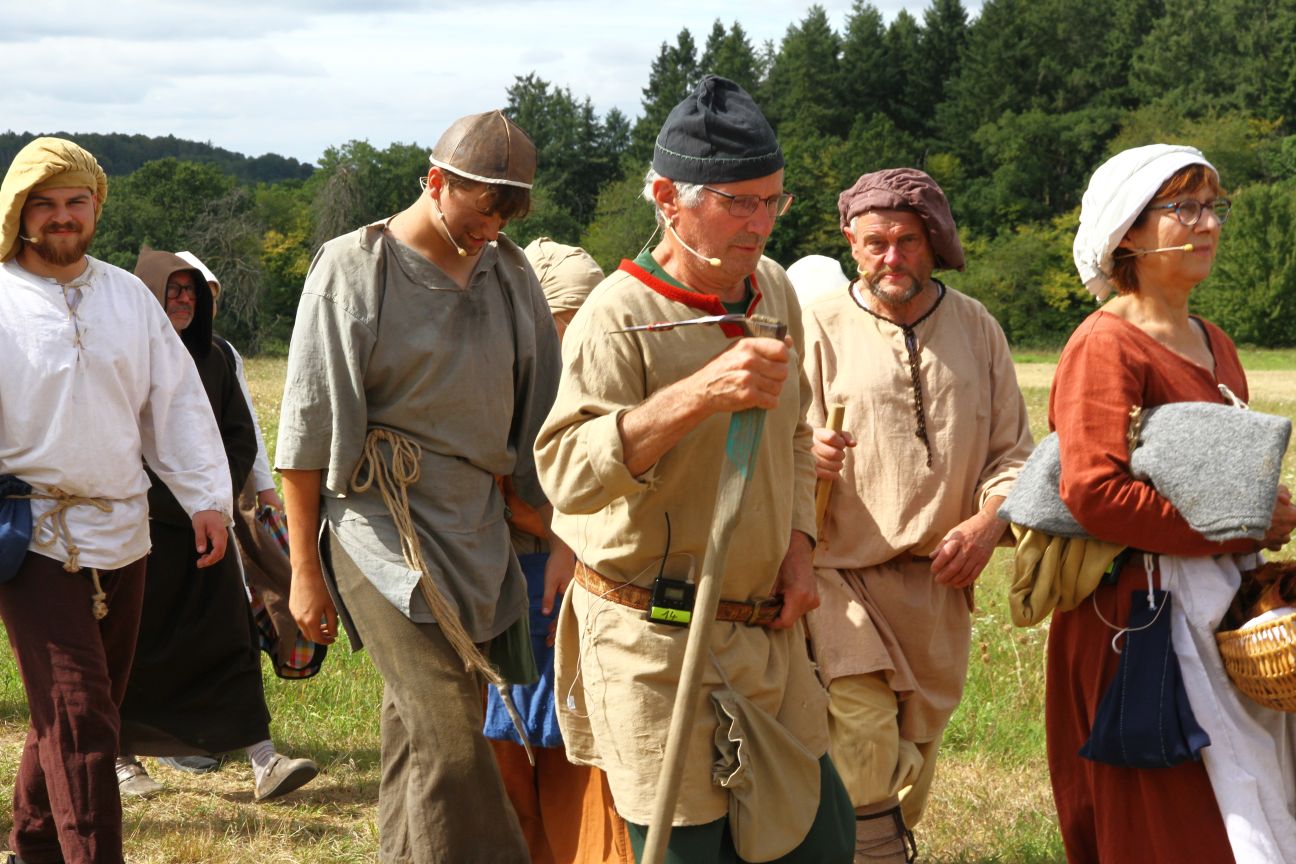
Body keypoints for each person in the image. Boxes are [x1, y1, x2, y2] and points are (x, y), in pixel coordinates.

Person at [535, 75, 854, 864]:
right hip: (654, 639)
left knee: (819, 840)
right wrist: (696, 395)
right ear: (666, 199)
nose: (760, 222)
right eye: (738, 202)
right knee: (689, 851)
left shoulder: (772, 289)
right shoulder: (616, 317)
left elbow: (793, 433)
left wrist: (799, 547)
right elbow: (567, 472)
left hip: (764, 636)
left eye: (772, 201)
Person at [276, 109, 561, 863]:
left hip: (477, 534)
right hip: (379, 530)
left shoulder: (511, 275)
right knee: (455, 744)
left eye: (507, 215)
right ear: (436, 182)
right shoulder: (352, 268)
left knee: (417, 744)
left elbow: (543, 419)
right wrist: (304, 571)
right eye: (482, 209)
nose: (492, 229)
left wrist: (555, 530)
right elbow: (304, 439)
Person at [1048, 144, 1296, 863]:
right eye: (1183, 208)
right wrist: (1237, 526)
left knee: (1249, 801)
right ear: (1127, 231)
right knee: (1177, 828)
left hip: (1220, 608)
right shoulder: (1105, 344)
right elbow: (1093, 492)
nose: (1207, 224)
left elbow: (1222, 476)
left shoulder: (1215, 342)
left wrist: (1264, 511)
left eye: (1213, 206)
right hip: (1140, 622)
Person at [0, 137, 230, 864]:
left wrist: (206, 496)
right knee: (81, 715)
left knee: (76, 711)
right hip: (31, 531)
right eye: (45, 203)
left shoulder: (128, 296)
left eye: (77, 201)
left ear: (96, 208)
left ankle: (33, 848)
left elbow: (175, 401)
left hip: (125, 528)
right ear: (19, 211)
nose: (63, 216)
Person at [803, 168, 1032, 861]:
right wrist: (804, 451)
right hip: (839, 576)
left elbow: (1014, 454)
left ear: (933, 242)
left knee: (912, 769)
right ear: (851, 243)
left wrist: (989, 524)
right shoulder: (818, 326)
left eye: (907, 241)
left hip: (938, 586)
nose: (892, 258)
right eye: (875, 243)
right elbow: (770, 446)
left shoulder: (976, 327)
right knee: (863, 743)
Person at [114, 247, 319, 803]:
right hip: (138, 528)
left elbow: (238, 432)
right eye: (172, 289)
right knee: (133, 645)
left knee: (230, 636)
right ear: (148, 294)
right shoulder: (123, 353)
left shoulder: (218, 356)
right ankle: (121, 758)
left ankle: (264, 759)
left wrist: (213, 496)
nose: (183, 299)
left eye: (191, 290)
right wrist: (162, 501)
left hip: (208, 526)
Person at [484, 237, 635, 864]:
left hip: (591, 583)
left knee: (584, 757)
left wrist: (556, 533)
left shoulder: (612, 372)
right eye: (562, 323)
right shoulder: (501, 376)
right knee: (512, 749)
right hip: (511, 579)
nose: (572, 340)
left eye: (582, 321)